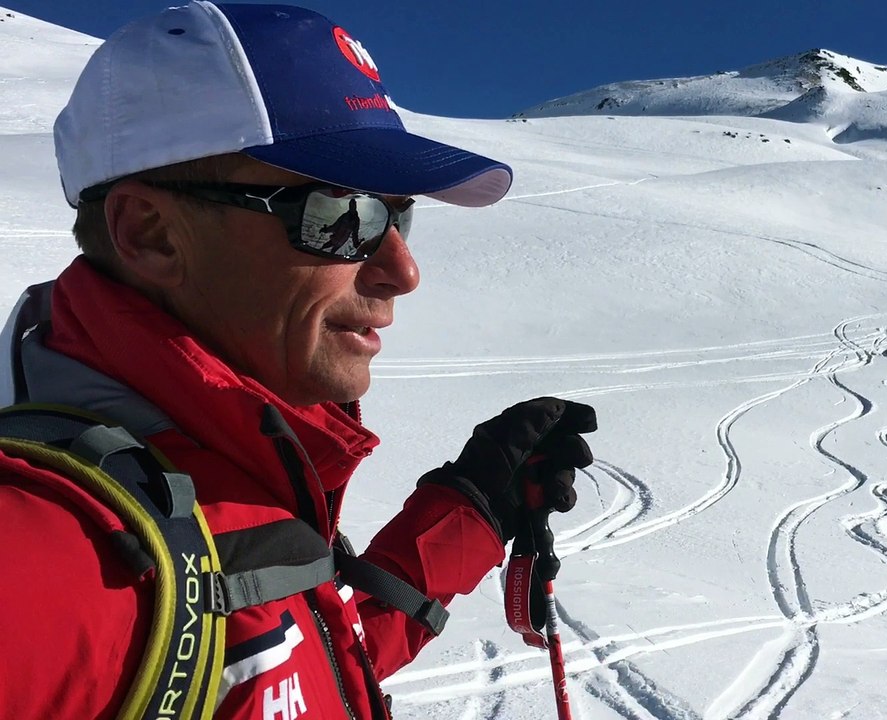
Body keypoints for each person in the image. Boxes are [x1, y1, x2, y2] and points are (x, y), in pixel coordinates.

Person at [0, 2, 595, 718]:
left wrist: (469, 509)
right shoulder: (37, 558)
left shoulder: (226, 477)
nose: (401, 271)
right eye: (341, 215)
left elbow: (298, 653)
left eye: (396, 214)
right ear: (151, 232)